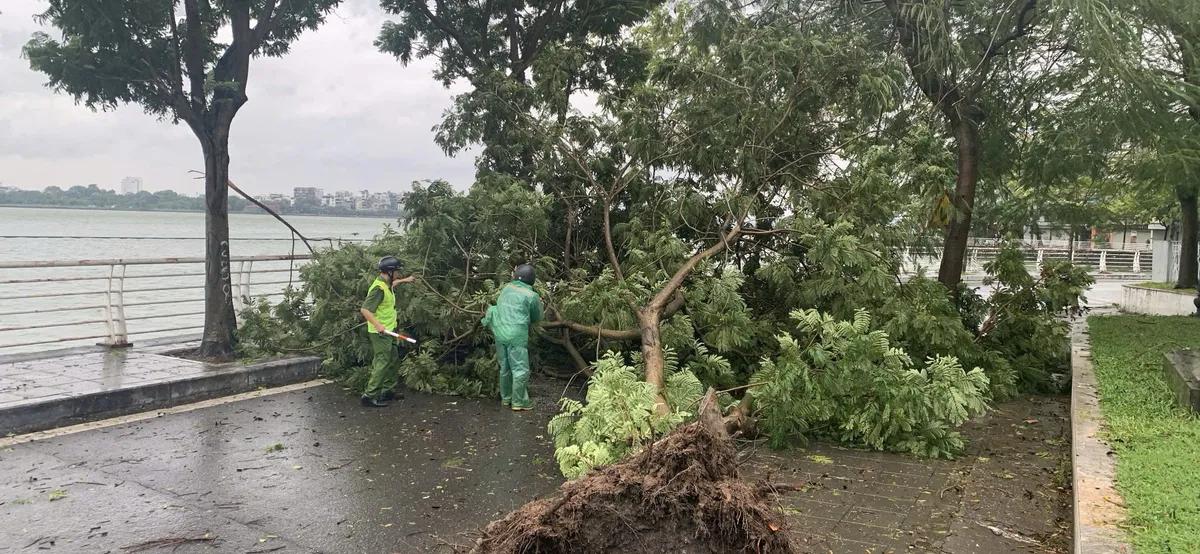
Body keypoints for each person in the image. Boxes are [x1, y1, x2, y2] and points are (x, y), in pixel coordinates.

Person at [481, 264, 543, 411]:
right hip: (516, 335)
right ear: (531, 280)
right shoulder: (531, 295)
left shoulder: (507, 288)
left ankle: (506, 399)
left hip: (500, 332)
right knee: (520, 369)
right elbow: (537, 317)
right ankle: (519, 402)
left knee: (505, 367)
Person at [359, 256, 414, 408]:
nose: (398, 274)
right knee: (382, 362)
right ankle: (369, 396)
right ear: (389, 271)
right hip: (381, 333)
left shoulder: (386, 284)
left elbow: (393, 285)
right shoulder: (378, 289)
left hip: (390, 330)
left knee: (393, 360)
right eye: (397, 271)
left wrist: (405, 280)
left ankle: (387, 391)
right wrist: (377, 325)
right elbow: (364, 309)